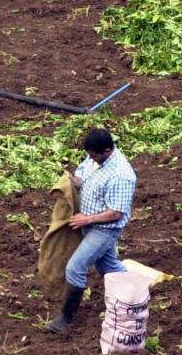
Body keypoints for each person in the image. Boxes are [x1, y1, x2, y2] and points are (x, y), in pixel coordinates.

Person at [47, 128, 137, 334]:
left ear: (107, 151)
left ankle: (67, 318)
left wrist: (86, 219)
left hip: (104, 230)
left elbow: (116, 213)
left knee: (75, 267)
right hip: (89, 225)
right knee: (109, 266)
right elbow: (83, 169)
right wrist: (77, 181)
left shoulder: (121, 176)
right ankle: (134, 292)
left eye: (94, 155)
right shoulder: (94, 158)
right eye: (89, 155)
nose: (91, 158)